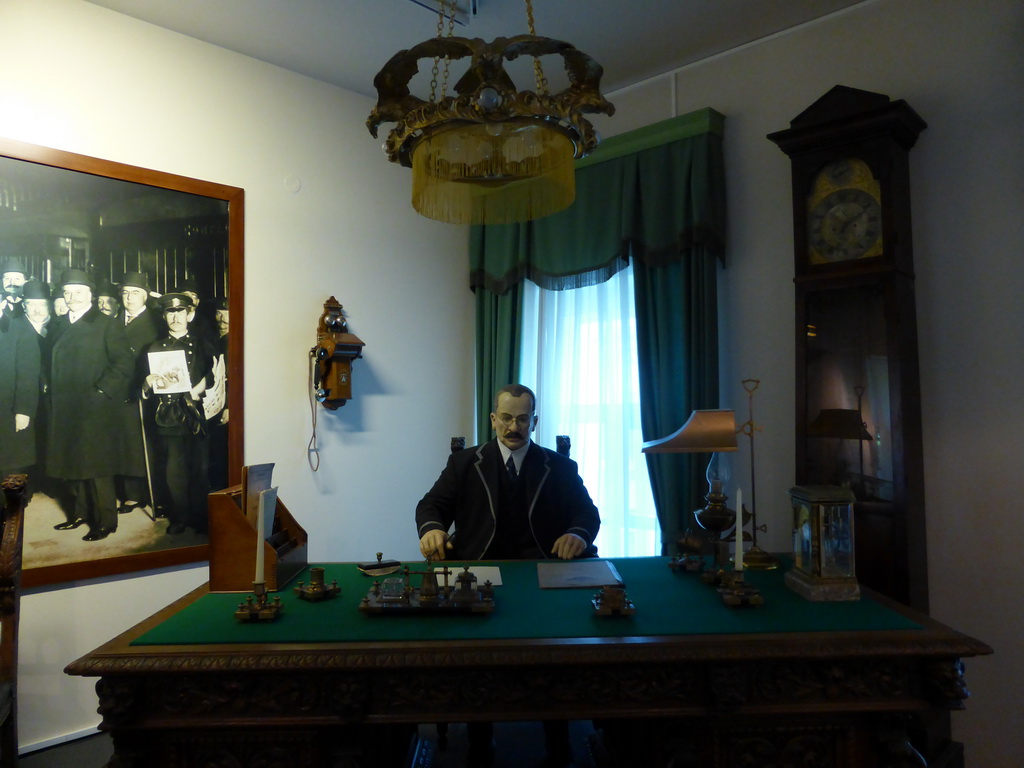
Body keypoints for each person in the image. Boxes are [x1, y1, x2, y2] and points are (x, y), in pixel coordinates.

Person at [415, 384, 599, 768]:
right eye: (506, 417)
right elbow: (432, 504)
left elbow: (587, 514)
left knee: (552, 659)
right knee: (477, 661)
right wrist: (432, 528)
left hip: (542, 571)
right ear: (493, 418)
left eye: (522, 418)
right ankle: (480, 742)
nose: (513, 426)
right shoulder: (465, 463)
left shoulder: (559, 467)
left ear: (534, 421)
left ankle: (558, 742)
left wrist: (575, 534)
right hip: (477, 571)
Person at [46, 269, 135, 540]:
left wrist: (101, 391)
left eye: (78, 292)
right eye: (67, 292)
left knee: (98, 466)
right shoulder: (59, 324)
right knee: (74, 463)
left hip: (95, 406)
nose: (72, 297)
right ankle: (81, 514)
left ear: (90, 295)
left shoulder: (106, 323)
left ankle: (106, 521)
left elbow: (124, 363)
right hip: (65, 406)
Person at [142, 291, 215, 535]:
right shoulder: (154, 347)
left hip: (196, 414)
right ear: (164, 317)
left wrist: (200, 387)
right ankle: (179, 517)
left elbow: (213, 375)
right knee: (174, 471)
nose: (175, 317)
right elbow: (145, 387)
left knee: (200, 468)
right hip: (169, 416)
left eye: (180, 312)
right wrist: (146, 384)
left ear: (190, 314)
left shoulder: (203, 344)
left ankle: (200, 517)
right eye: (170, 313)